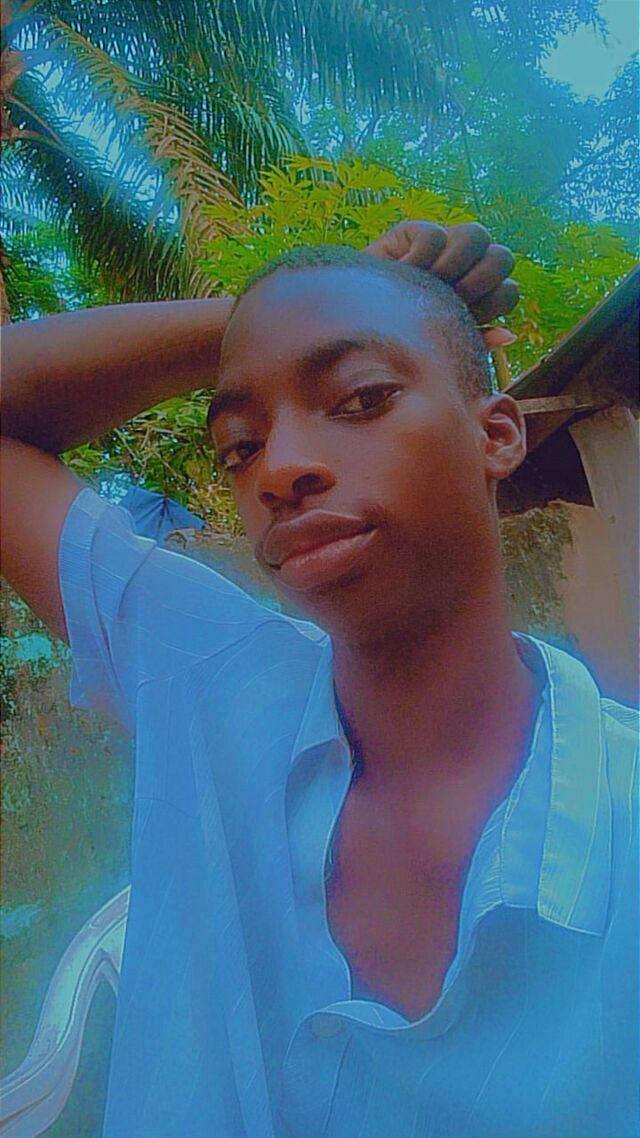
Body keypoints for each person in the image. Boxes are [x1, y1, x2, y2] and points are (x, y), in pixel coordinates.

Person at [1, 221, 637, 1138]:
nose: (281, 470)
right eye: (240, 445)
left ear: (496, 434)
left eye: (361, 399)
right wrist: (274, 312)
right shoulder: (212, 682)